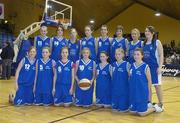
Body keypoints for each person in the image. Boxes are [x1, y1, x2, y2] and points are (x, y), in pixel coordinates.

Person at [129, 48, 162, 116]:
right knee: (132, 112)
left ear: (142, 56)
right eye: (134, 54)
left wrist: (149, 99)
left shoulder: (145, 67)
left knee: (141, 113)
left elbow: (149, 83)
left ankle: (155, 108)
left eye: (138, 54)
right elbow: (130, 79)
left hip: (142, 94)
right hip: (133, 93)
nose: (136, 56)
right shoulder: (132, 65)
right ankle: (145, 107)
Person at [143, 26, 164, 111]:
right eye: (145, 31)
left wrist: (160, 66)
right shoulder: (143, 43)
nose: (146, 32)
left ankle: (161, 103)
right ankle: (149, 102)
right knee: (148, 86)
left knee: (157, 86)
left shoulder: (157, 42)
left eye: (148, 31)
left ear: (152, 33)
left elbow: (161, 55)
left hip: (155, 68)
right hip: (146, 68)